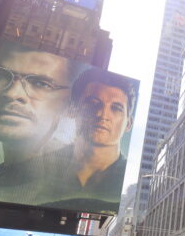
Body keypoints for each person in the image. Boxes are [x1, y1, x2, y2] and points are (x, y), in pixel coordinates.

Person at [0, 40, 79, 204]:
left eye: (40, 83)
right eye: (0, 75)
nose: (12, 93)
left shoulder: (76, 190)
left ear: (71, 105)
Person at [38, 68, 136, 213]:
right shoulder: (38, 168)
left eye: (116, 108)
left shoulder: (129, 183)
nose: (102, 115)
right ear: (73, 110)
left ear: (128, 123)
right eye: (93, 103)